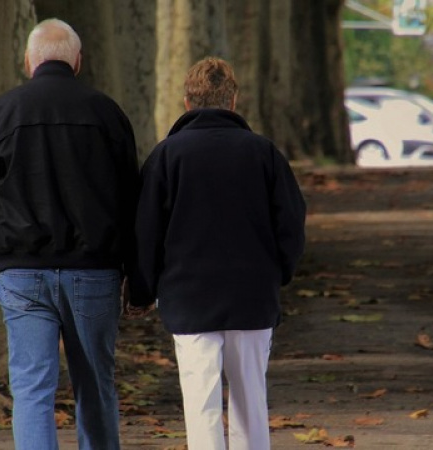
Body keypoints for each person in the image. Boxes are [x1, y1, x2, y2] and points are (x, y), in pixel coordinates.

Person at [0, 18, 138, 450]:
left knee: (32, 389)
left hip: (21, 272)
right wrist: (137, 273)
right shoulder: (107, 113)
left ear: (27, 61)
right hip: (94, 272)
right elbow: (132, 199)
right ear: (77, 61)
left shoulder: (2, 113)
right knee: (95, 384)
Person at [131, 57, 306, 450]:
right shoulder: (264, 154)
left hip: (188, 295)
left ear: (187, 102)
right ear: (233, 101)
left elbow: (146, 232)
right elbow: (291, 223)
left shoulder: (166, 157)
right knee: (250, 400)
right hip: (252, 293)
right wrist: (279, 273)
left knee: (201, 403)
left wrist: (141, 290)